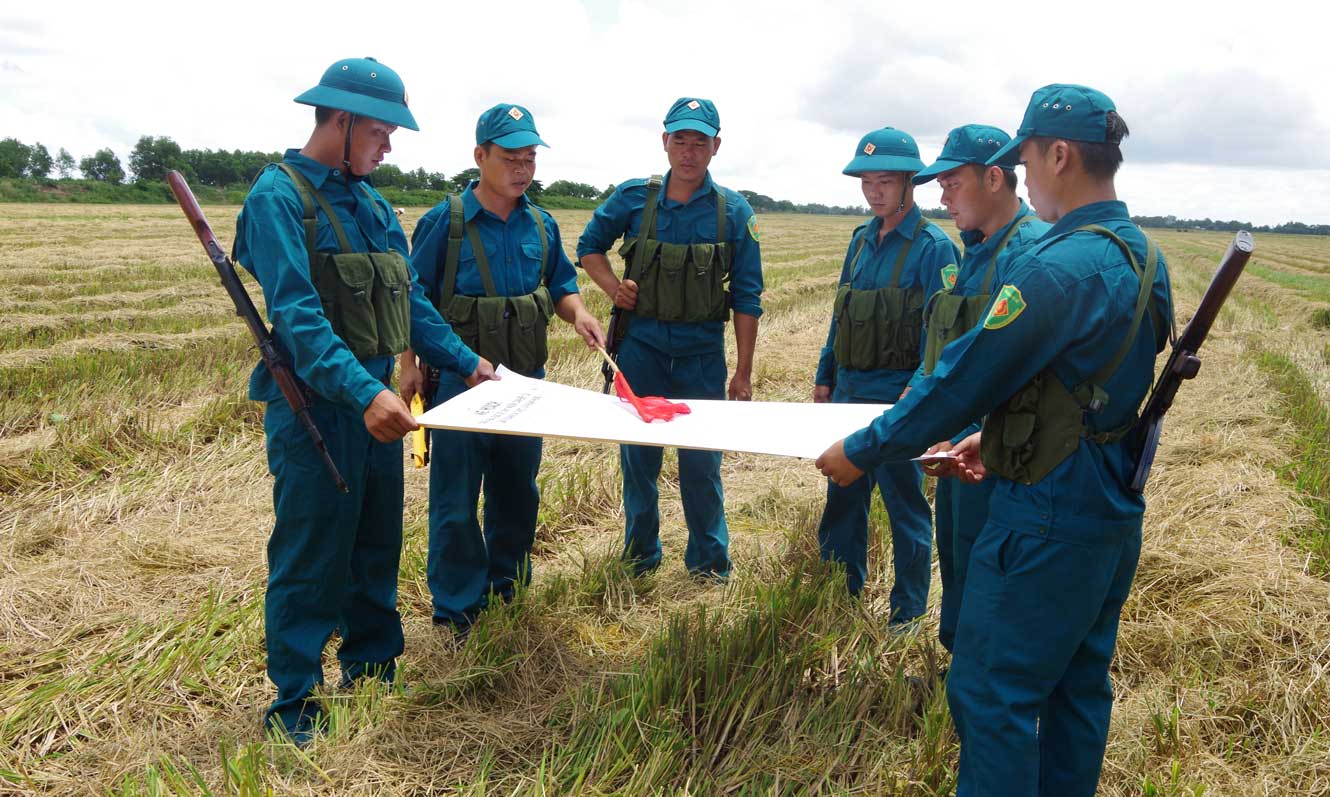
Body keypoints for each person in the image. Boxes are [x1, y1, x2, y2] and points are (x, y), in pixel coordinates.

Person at [816, 84, 1173, 795]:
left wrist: (863, 449)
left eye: (1029, 160)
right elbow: (1082, 386)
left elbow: (961, 381)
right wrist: (997, 436)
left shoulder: (1057, 266)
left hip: (1044, 515)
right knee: (1075, 685)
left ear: (1061, 154)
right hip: (1106, 504)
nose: (1026, 176)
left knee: (990, 690)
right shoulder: (1141, 256)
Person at [232, 57, 495, 744]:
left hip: (380, 403)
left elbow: (410, 303)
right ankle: (295, 701)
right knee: (312, 554)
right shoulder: (277, 198)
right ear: (339, 121)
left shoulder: (374, 201)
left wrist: (468, 363)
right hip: (318, 409)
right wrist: (363, 391)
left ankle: (373, 669)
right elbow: (298, 318)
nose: (387, 147)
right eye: (379, 132)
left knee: (376, 544)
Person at [399, 104, 603, 636]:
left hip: (524, 387)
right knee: (455, 501)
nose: (522, 169)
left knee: (517, 493)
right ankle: (457, 610)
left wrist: (579, 313)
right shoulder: (445, 223)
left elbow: (560, 285)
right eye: (510, 158)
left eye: (530, 159)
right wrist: (408, 363)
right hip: (458, 388)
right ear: (479, 156)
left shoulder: (542, 222)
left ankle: (507, 590)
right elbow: (410, 300)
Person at [577, 97, 763, 579]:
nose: (688, 151)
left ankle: (709, 564)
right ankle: (640, 558)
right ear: (665, 142)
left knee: (701, 466)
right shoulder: (634, 198)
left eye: (699, 142)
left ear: (715, 147)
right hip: (642, 349)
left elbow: (747, 296)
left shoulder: (734, 212)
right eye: (679, 140)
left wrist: (742, 371)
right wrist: (614, 289)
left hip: (702, 355)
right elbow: (588, 247)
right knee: (639, 460)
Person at [908, 124, 1050, 652]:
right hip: (957, 450)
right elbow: (945, 351)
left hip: (1001, 455)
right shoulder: (974, 253)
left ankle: (979, 685)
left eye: (952, 185)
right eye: (939, 188)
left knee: (992, 578)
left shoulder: (1030, 252)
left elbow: (1019, 369)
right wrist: (914, 403)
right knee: (960, 564)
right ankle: (959, 671)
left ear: (994, 178)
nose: (942, 200)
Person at [811, 127, 959, 626]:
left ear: (909, 183)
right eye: (867, 181)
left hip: (898, 399)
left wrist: (914, 400)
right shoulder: (858, 241)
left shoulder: (935, 248)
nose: (875, 191)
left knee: (906, 508)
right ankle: (838, 599)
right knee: (842, 499)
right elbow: (841, 313)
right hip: (849, 391)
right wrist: (825, 374)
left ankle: (907, 615)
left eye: (886, 181)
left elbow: (940, 335)